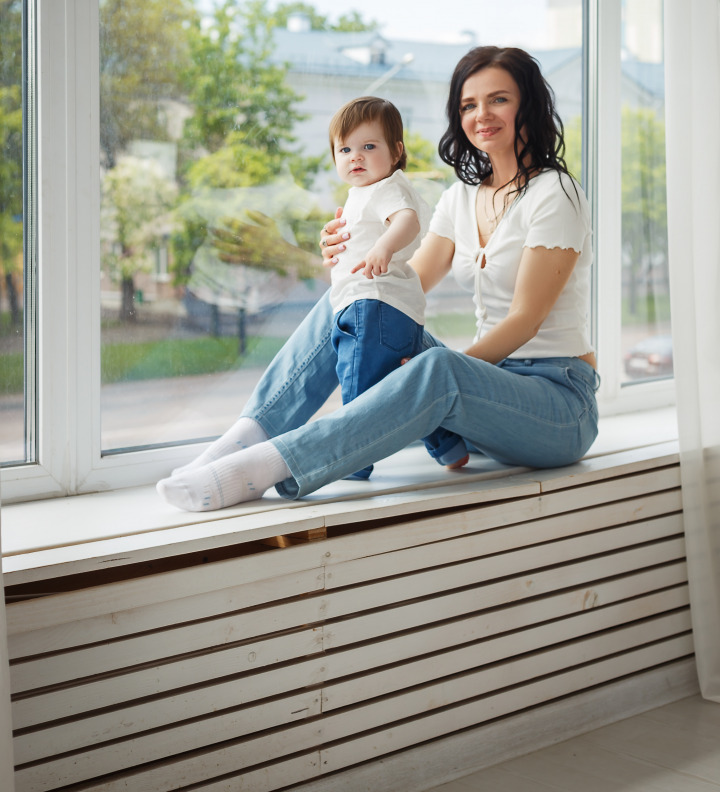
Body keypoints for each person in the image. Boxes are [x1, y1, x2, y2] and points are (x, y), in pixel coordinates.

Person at [157, 45, 599, 512]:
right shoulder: (461, 199)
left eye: (499, 100)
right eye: (469, 104)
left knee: (440, 368)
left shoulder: (556, 192)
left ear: (527, 104)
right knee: (358, 299)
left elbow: (526, 319)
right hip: (487, 401)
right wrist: (351, 261)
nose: (481, 114)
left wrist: (443, 375)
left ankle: (267, 466)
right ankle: (245, 437)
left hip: (557, 405)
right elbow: (404, 283)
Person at [327, 95, 468, 478]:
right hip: (385, 308)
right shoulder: (362, 193)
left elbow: (406, 221)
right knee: (402, 382)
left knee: (358, 384)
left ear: (396, 152)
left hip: (372, 306)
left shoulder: (386, 187)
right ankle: (449, 446)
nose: (356, 156)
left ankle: (352, 462)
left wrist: (383, 247)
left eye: (369, 147)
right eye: (345, 149)